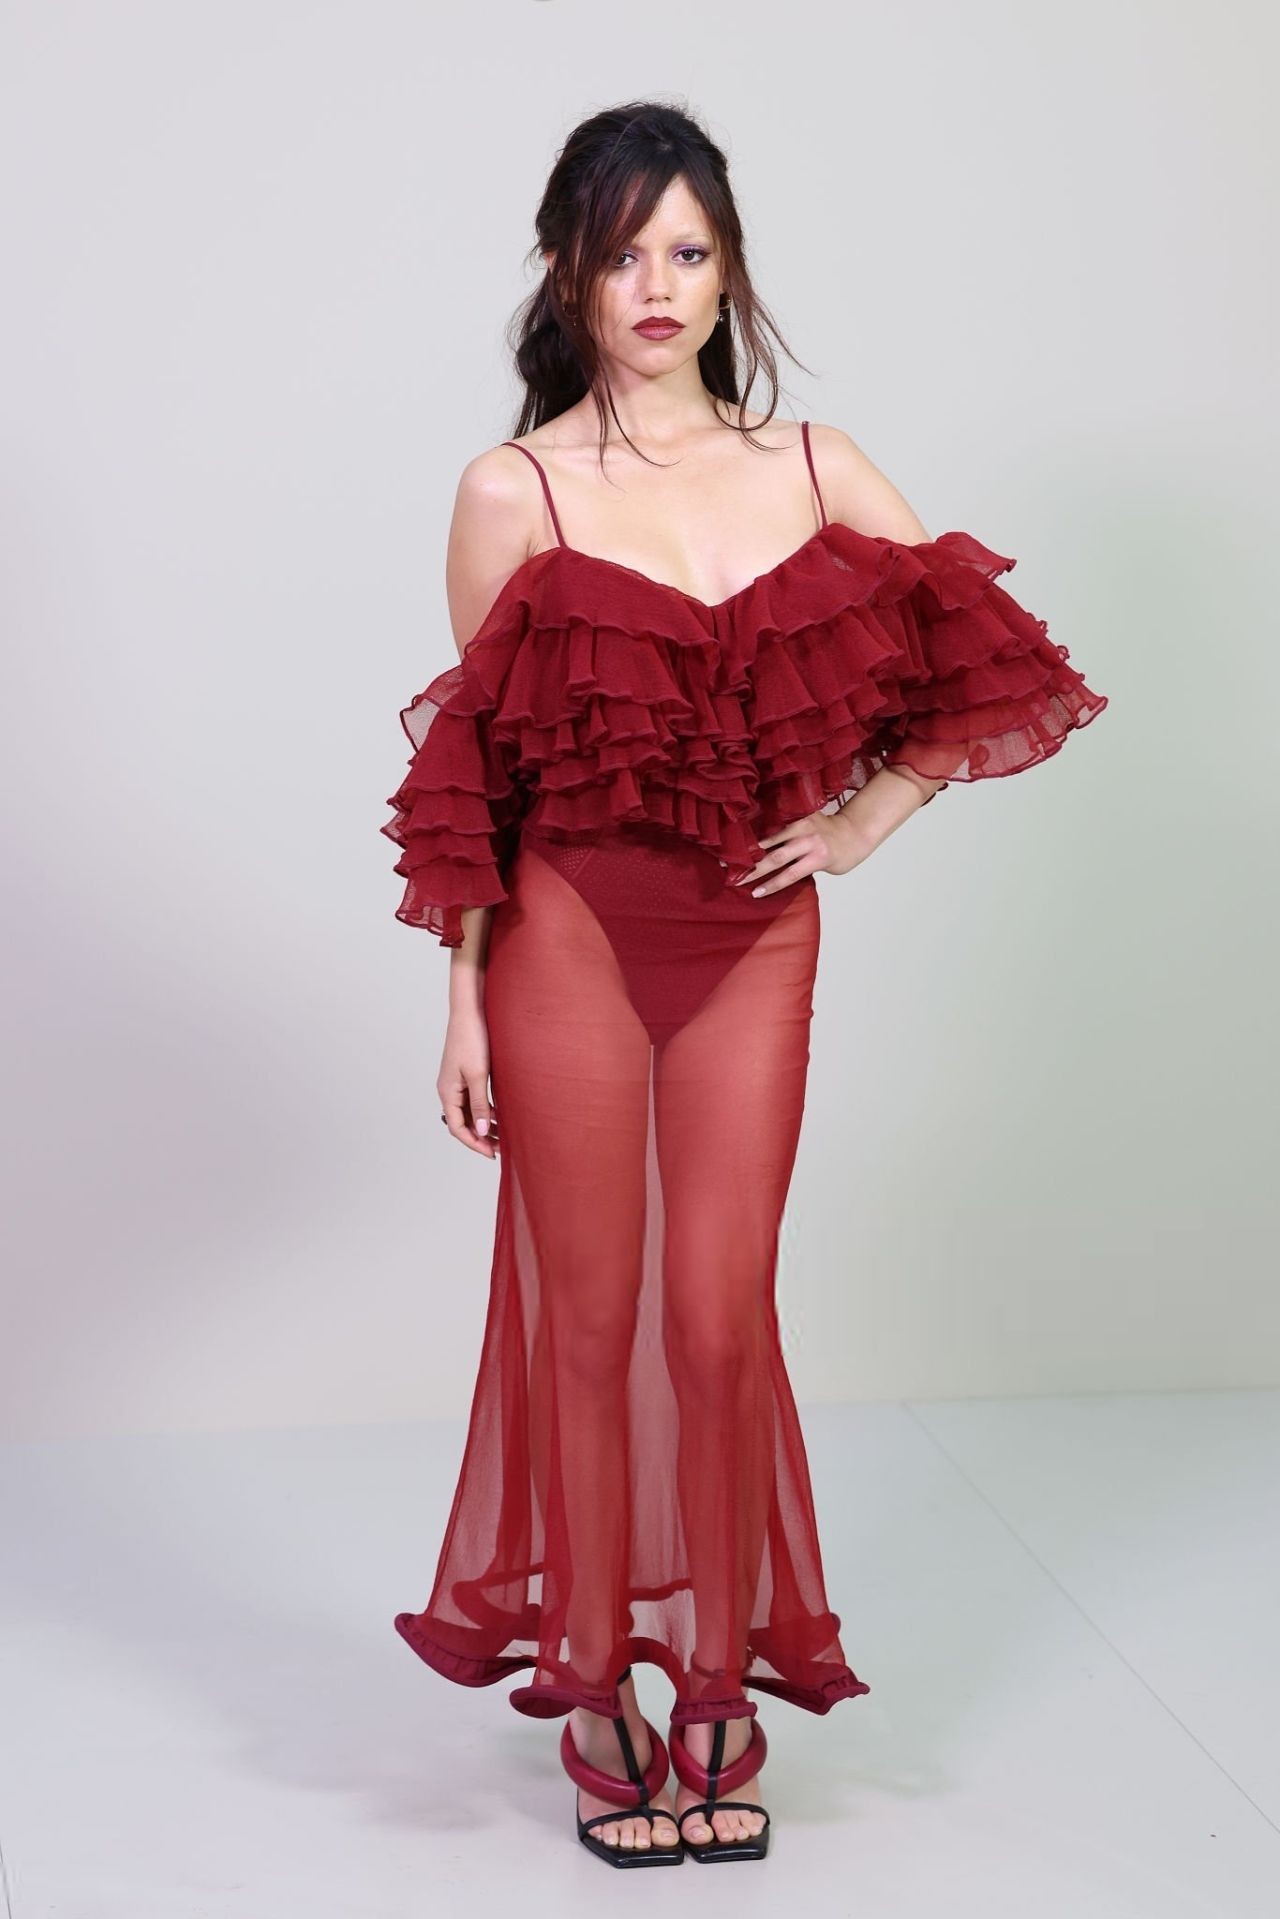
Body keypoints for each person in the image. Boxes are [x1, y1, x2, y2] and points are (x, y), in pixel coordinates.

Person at [382, 100, 1108, 1869]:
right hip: (563, 930)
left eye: (690, 250)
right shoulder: (514, 489)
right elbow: (478, 770)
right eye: (623, 251)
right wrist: (462, 1000)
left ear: (730, 273)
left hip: (751, 938)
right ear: (567, 269)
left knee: (718, 1315)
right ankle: (597, 1686)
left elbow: (987, 664)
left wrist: (861, 822)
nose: (658, 284)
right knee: (592, 1317)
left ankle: (716, 1677)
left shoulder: (818, 467)